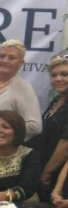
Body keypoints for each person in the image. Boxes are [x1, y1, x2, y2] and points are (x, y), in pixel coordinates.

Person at [38, 54, 68, 199]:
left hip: (60, 173)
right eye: (53, 75)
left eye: (64, 74)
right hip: (46, 163)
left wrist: (47, 172)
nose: (58, 79)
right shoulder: (56, 100)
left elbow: (65, 144)